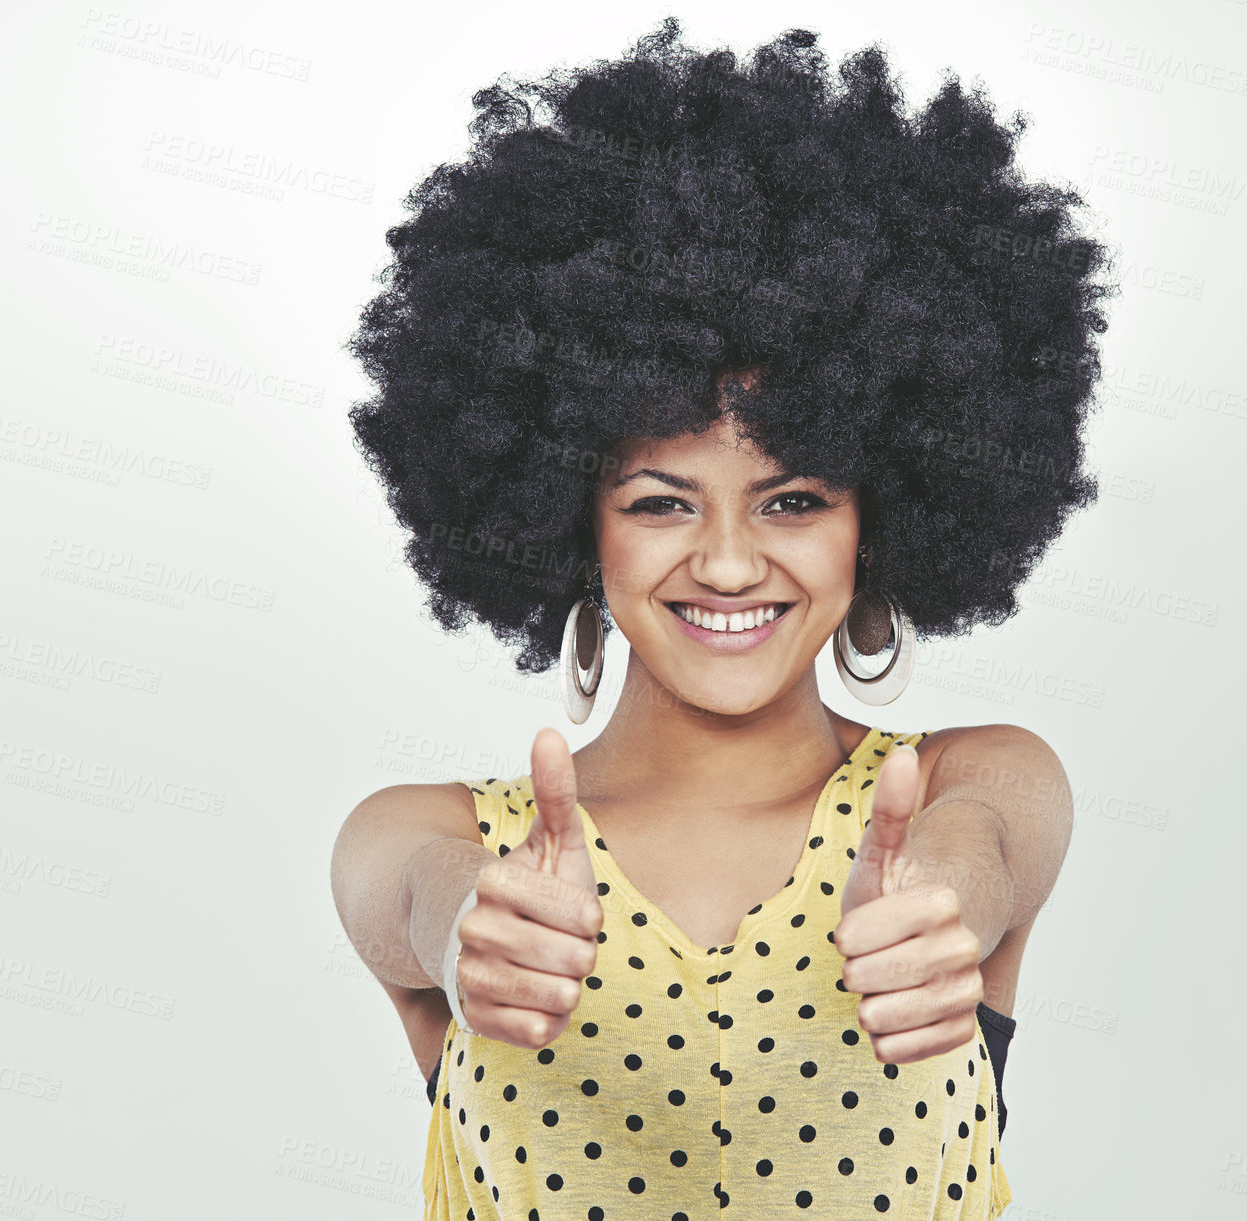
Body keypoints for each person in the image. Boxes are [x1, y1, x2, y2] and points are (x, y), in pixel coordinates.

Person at [332, 18, 1113, 1218]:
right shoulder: (458, 845)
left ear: (878, 519)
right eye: (659, 501)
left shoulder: (963, 788)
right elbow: (406, 893)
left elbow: (990, 850)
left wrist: (938, 903)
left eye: (793, 499)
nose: (731, 562)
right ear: (571, 520)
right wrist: (467, 931)